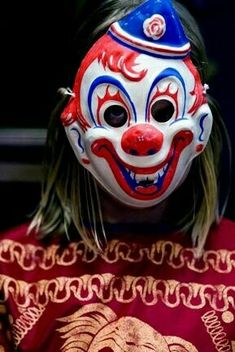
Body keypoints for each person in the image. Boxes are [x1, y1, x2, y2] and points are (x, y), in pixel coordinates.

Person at [0, 0, 234, 350]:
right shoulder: (10, 272)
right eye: (113, 115)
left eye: (163, 109)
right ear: (77, 134)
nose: (143, 138)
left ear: (202, 125)